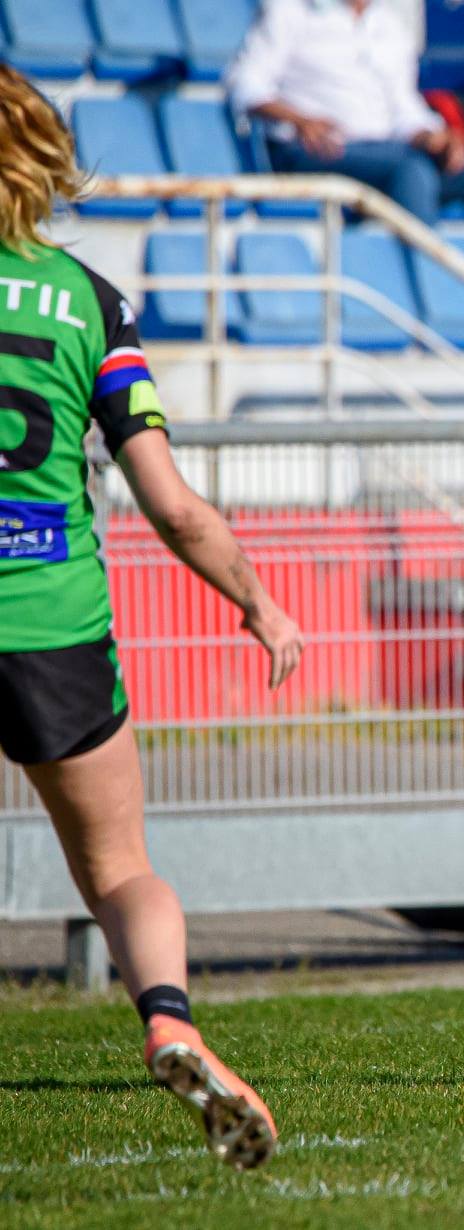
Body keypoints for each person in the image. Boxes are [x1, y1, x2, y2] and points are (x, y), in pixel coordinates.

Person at [0, 66, 305, 1166]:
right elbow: (170, 504)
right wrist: (260, 603)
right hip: (53, 624)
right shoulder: (88, 300)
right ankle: (170, 1020)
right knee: (122, 868)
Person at [226, 0, 464, 235]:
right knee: (411, 173)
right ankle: (429, 287)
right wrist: (299, 120)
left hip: (388, 150)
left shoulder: (388, 23)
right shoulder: (289, 10)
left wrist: (433, 136)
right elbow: (244, 84)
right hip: (316, 150)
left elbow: (403, 108)